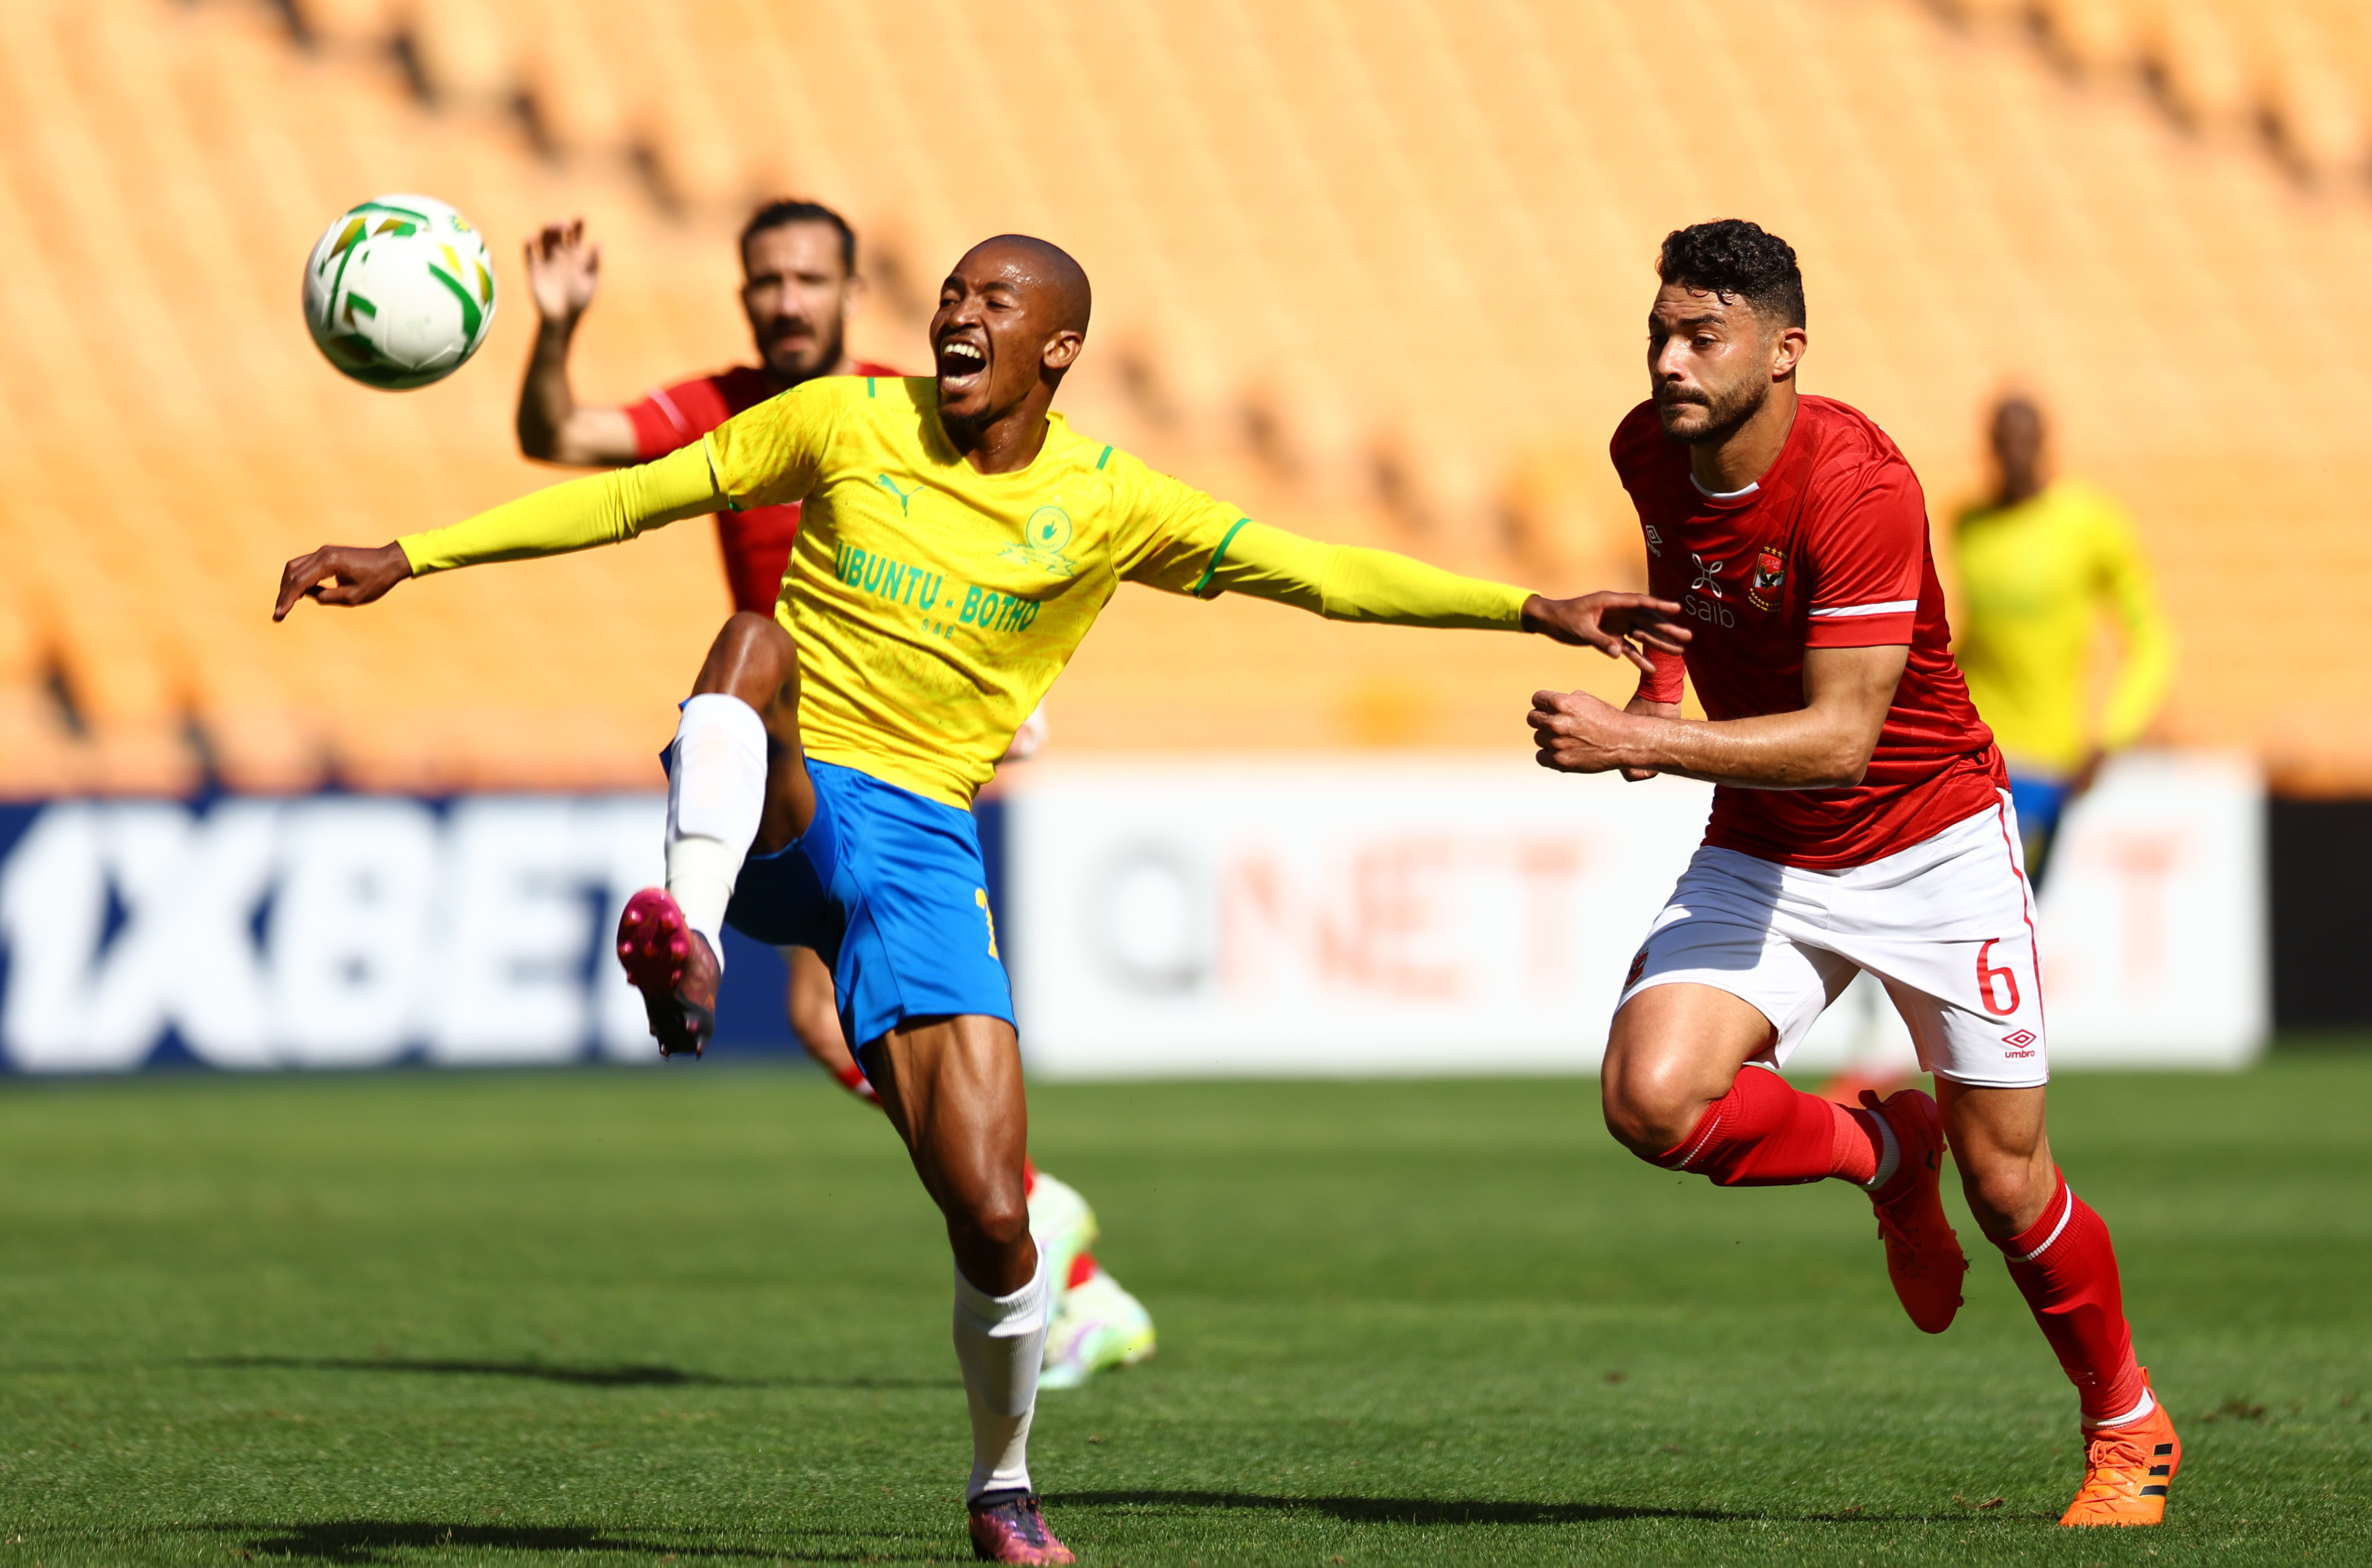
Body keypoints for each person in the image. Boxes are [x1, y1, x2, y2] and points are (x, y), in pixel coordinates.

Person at [276, 232, 1677, 1564]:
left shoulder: (1111, 500)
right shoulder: (839, 419)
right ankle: (686, 941)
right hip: (792, 794)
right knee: (751, 642)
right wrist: (414, 554)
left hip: (926, 855)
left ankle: (1000, 1485)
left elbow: (1314, 573)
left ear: (1057, 346)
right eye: (953, 291)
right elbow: (631, 493)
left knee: (994, 1219)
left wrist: (1525, 609)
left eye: (995, 301)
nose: (958, 313)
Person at [1527, 220, 2179, 1528]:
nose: (1667, 359)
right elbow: (1682, 597)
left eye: (1699, 335)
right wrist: (1656, 679)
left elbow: (1842, 737)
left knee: (2006, 1185)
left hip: (1931, 836)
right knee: (1652, 1100)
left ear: (1784, 351)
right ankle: (1882, 1149)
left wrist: (1640, 737)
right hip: (1771, 842)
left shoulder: (1859, 483)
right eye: (1658, 330)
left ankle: (2126, 1423)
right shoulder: (1644, 447)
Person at [515, 200, 1151, 1390]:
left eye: (809, 280)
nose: (785, 301)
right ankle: (1034, 1231)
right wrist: (556, 333)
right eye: (766, 281)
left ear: (853, 293)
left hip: (892, 742)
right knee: (825, 1024)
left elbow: (1036, 532)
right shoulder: (733, 404)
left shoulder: (909, 405)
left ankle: (1030, 1219)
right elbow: (563, 438)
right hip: (791, 733)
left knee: (842, 1018)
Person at [1953, 395, 2174, 890]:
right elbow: (1971, 640)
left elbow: (2151, 642)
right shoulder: (1967, 526)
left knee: (2011, 909)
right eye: (2003, 444)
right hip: (1971, 758)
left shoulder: (2088, 524)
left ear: (2044, 445)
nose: (2014, 455)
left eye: (2024, 442)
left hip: (2046, 763)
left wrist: (2111, 735)